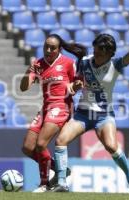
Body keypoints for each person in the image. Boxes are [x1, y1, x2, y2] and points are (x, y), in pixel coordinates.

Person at [50, 12, 129, 193]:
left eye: (100, 53)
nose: (96, 55)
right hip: (83, 113)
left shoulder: (116, 64)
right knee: (61, 140)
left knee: (111, 146)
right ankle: (61, 182)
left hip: (103, 115)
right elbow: (75, 83)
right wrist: (75, 85)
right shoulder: (85, 62)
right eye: (94, 50)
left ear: (109, 54)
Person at [20, 34, 87, 192]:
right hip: (45, 108)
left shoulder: (68, 63)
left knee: (41, 144)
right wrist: (28, 71)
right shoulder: (38, 64)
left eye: (52, 48)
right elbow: (23, 87)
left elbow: (77, 84)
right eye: (46, 47)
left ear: (59, 49)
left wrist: (76, 85)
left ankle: (44, 184)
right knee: (28, 147)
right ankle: (60, 168)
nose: (48, 50)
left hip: (62, 106)